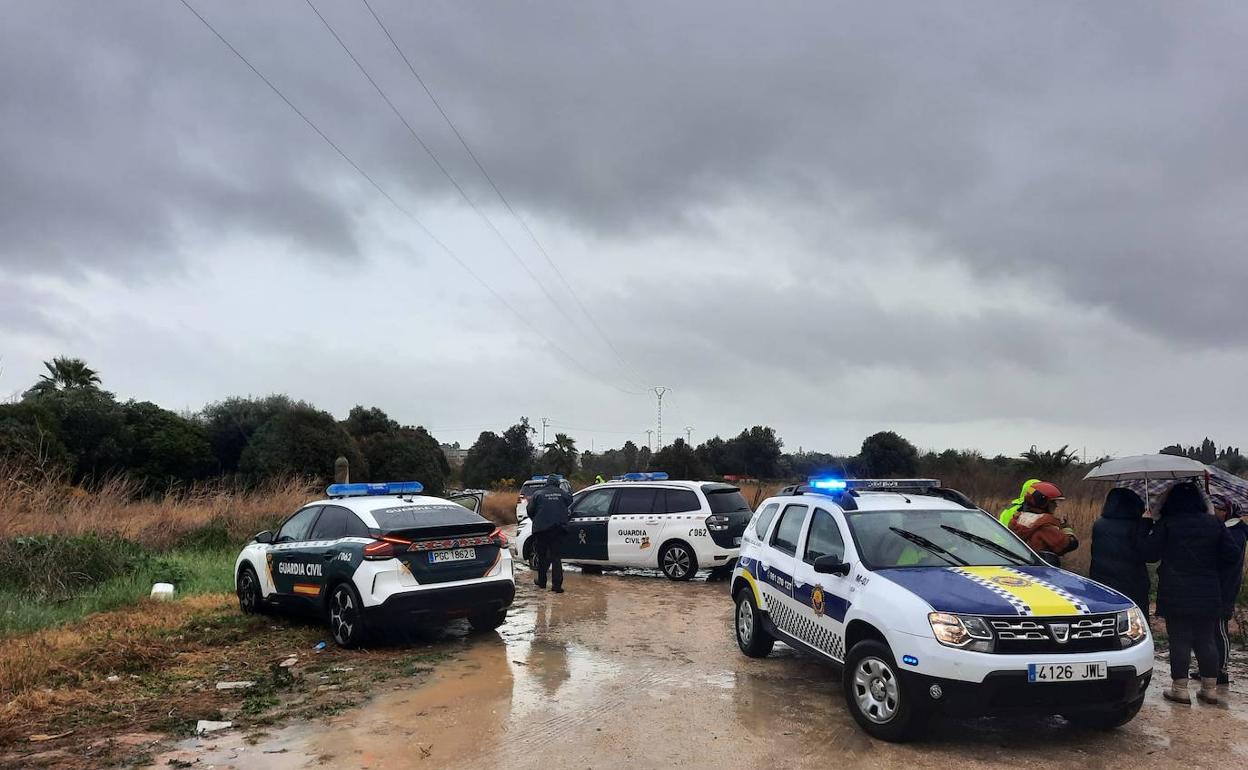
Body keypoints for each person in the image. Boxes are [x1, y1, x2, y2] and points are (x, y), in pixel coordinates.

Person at [1139, 481, 1239, 705]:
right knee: (1206, 639)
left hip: (1175, 590)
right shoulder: (1214, 524)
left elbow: (1149, 553)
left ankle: (1180, 689)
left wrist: (1146, 523)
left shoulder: (1168, 523)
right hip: (1208, 590)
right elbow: (1232, 555)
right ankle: (1210, 689)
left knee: (1179, 639)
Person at [1089, 488, 1151, 618]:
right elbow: (1147, 554)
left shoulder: (1099, 525)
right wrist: (1146, 525)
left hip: (1102, 581)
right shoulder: (1136, 526)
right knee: (1136, 619)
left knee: (1108, 618)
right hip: (1132, 583)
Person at [1212, 494, 1248, 694]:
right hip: (1218, 586)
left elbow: (1226, 560)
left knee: (1220, 629)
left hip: (1224, 588)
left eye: (1216, 508)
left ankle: (1222, 670)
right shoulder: (1229, 530)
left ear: (1225, 512)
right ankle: (1211, 669)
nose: (1213, 512)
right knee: (1211, 630)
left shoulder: (1234, 534)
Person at [1007, 481, 1079, 566]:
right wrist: (1066, 529)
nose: (1056, 505)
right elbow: (1067, 545)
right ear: (1042, 501)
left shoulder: (1017, 518)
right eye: (1052, 502)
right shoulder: (1045, 524)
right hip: (1042, 569)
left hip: (1020, 566)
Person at [527, 474, 573, 593]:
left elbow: (530, 511)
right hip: (558, 529)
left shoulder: (538, 494)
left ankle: (542, 582)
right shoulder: (563, 494)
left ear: (547, 483)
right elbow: (570, 501)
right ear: (558, 483)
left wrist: (537, 520)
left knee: (542, 556)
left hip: (541, 530)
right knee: (556, 557)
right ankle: (557, 586)